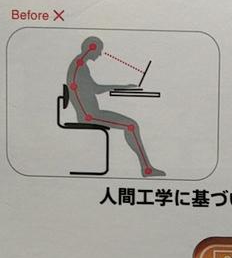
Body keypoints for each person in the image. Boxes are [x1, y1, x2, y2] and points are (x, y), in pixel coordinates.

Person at [65, 36, 165, 177]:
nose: (100, 54)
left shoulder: (79, 65)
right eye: (99, 50)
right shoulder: (79, 67)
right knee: (131, 126)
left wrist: (123, 87)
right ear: (91, 48)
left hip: (92, 113)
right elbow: (95, 89)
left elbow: (94, 88)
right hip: (89, 116)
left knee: (131, 125)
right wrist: (123, 87)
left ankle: (146, 168)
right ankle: (146, 169)